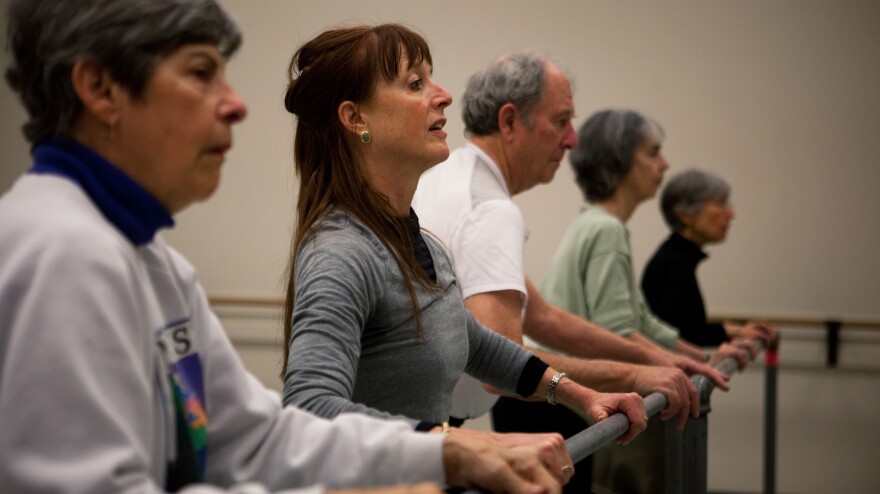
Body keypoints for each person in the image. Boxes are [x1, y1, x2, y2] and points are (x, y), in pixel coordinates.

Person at [0, 2, 570, 493]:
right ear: (100, 88)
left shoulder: (156, 264)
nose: (237, 105)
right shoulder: (61, 254)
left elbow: (256, 435)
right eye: (201, 74)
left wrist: (449, 453)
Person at [278, 25, 648, 482]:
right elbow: (309, 407)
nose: (445, 95)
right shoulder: (341, 251)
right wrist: (465, 442)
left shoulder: (422, 242)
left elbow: (473, 341)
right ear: (356, 119)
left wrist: (578, 394)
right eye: (416, 84)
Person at [412, 52, 728, 493]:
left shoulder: (447, 176)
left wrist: (657, 357)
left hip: (412, 426)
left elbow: (542, 315)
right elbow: (499, 360)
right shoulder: (490, 209)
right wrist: (633, 376)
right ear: (509, 122)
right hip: (426, 433)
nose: (572, 140)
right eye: (561, 121)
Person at [539, 109, 751, 493]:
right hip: (552, 400)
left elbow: (643, 323)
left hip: (554, 393)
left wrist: (699, 359)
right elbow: (618, 331)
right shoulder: (605, 231)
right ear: (621, 162)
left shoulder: (602, 225)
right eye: (653, 153)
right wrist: (694, 363)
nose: (664, 164)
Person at [641, 169, 777, 347]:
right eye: (720, 205)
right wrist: (731, 332)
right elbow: (679, 336)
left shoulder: (676, 259)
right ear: (685, 214)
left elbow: (686, 328)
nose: (731, 214)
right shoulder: (673, 265)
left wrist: (735, 330)